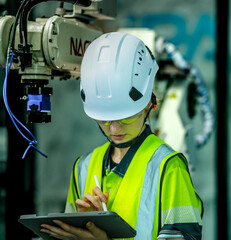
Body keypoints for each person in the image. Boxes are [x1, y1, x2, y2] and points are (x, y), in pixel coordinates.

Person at [40, 32, 203, 240]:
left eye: (125, 117)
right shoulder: (83, 167)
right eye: (104, 120)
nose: (115, 129)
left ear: (147, 104)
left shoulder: (168, 167)